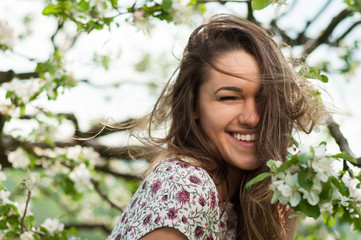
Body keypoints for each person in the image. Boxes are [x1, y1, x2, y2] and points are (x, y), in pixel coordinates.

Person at [107, 13, 324, 240]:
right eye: (229, 98)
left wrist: (285, 224)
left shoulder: (239, 202)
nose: (252, 118)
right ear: (193, 105)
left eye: (263, 99)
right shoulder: (186, 185)